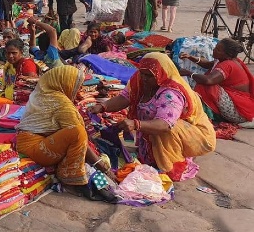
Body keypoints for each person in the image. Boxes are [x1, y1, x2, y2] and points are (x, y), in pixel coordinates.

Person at [89, 53, 215, 181]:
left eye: (149, 76)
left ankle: (172, 163)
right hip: (160, 128)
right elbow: (124, 98)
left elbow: (165, 125)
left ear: (162, 73)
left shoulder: (171, 94)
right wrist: (102, 107)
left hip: (194, 134)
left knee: (169, 129)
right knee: (151, 128)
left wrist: (136, 124)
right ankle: (152, 155)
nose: (143, 78)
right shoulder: (139, 80)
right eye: (142, 73)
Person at [17, 66, 116, 202]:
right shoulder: (61, 103)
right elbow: (77, 137)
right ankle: (70, 178)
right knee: (78, 132)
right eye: (77, 85)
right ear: (66, 82)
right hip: (36, 149)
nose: (78, 90)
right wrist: (103, 168)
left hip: (26, 143)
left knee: (78, 134)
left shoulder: (43, 94)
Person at [179, 38, 254, 124]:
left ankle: (205, 115)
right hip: (239, 104)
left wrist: (188, 73)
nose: (214, 50)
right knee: (204, 81)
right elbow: (208, 64)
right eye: (216, 47)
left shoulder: (227, 65)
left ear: (227, 55)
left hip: (239, 111)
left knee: (206, 85)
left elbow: (208, 80)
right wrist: (190, 57)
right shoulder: (225, 60)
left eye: (218, 50)